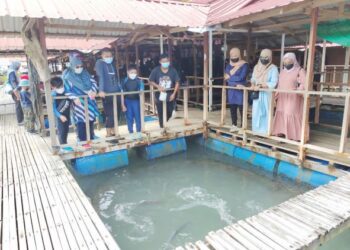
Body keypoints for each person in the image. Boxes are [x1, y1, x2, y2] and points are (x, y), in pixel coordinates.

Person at [272, 52, 309, 141]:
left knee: (290, 113)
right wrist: (275, 95)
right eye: (284, 60)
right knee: (282, 112)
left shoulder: (300, 70)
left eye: (288, 60)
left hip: (293, 97)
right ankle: (282, 132)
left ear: (293, 60)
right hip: (282, 97)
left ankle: (296, 135)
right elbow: (279, 85)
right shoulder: (282, 71)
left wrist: (298, 90)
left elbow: (304, 83)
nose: (286, 62)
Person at [63, 55, 99, 144]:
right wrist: (74, 98)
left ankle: (91, 137)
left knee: (91, 119)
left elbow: (94, 82)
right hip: (79, 103)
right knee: (81, 121)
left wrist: (94, 91)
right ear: (72, 66)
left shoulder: (86, 74)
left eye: (81, 66)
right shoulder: (68, 77)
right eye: (77, 67)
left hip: (90, 100)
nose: (80, 68)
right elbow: (66, 90)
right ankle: (82, 140)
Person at [251, 49, 279, 134]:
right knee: (256, 112)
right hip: (257, 93)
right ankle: (256, 130)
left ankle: (266, 131)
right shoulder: (256, 67)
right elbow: (253, 78)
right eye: (262, 57)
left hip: (267, 94)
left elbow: (274, 82)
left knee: (267, 111)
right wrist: (253, 83)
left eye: (266, 57)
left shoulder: (273, 68)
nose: (264, 59)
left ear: (270, 57)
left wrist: (263, 85)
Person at [95, 47, 122, 137]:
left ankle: (114, 131)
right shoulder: (100, 63)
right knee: (110, 114)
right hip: (107, 93)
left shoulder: (112, 64)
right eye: (106, 56)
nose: (109, 57)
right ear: (102, 56)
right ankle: (108, 133)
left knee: (117, 113)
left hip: (116, 92)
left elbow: (116, 77)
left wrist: (120, 89)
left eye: (110, 56)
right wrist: (101, 90)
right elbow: (101, 77)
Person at [149, 54, 180, 128]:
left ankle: (165, 123)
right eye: (163, 61)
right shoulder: (156, 70)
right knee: (160, 112)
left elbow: (177, 82)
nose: (165, 63)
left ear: (169, 61)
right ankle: (162, 127)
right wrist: (158, 86)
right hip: (159, 94)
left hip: (170, 94)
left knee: (170, 111)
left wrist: (174, 94)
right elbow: (150, 81)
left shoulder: (173, 70)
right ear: (160, 62)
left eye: (167, 61)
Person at [224, 48, 249, 132]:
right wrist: (234, 82)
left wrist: (230, 78)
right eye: (232, 55)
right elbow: (226, 78)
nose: (234, 57)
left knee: (242, 108)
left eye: (235, 55)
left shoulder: (244, 65)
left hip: (240, 90)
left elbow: (242, 77)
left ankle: (243, 126)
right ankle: (234, 124)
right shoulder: (228, 65)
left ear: (239, 55)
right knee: (232, 108)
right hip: (232, 90)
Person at [51, 76, 80, 145]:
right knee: (61, 131)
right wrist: (60, 116)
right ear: (53, 87)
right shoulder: (53, 94)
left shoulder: (67, 92)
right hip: (59, 115)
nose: (60, 88)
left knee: (66, 130)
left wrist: (76, 98)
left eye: (61, 86)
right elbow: (53, 108)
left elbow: (73, 96)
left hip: (67, 114)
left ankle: (65, 143)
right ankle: (62, 145)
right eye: (58, 87)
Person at [121, 65, 144, 134]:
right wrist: (123, 105)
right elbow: (122, 94)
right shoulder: (124, 81)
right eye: (131, 72)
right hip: (127, 101)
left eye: (135, 72)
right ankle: (130, 131)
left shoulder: (139, 81)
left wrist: (142, 104)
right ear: (128, 72)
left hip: (136, 101)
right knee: (129, 117)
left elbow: (141, 93)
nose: (133, 74)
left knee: (138, 117)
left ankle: (139, 131)